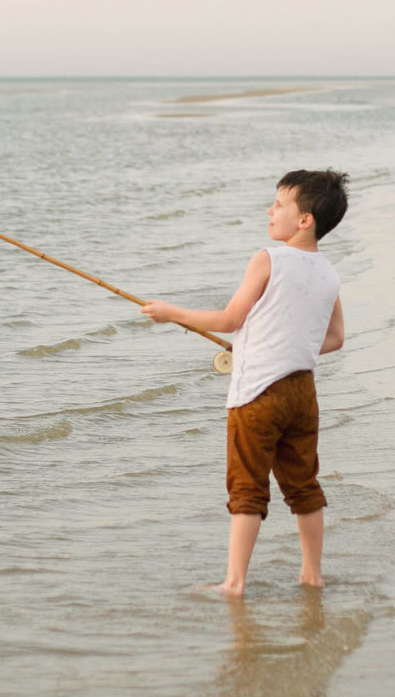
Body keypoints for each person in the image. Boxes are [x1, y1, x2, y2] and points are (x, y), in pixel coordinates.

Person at [141, 170, 348, 595]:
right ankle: (312, 575)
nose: (269, 210)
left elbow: (230, 319)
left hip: (257, 395)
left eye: (279, 204)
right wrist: (284, 346)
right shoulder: (329, 274)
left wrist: (172, 313)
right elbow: (335, 339)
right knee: (303, 486)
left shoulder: (268, 258)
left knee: (247, 487)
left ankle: (234, 584)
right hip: (302, 393)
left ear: (304, 220)